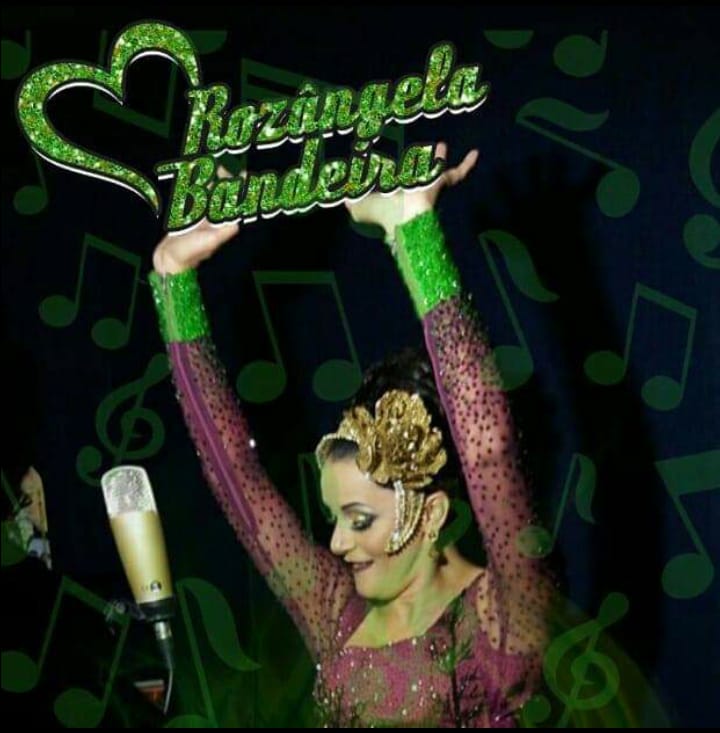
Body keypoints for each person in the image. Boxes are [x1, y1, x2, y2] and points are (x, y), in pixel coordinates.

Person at [149, 143, 554, 727]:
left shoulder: (502, 618)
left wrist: (414, 231)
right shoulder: (335, 611)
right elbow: (233, 471)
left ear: (431, 514)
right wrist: (174, 278)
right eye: (335, 517)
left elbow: (489, 449)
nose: (337, 543)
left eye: (359, 520)